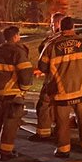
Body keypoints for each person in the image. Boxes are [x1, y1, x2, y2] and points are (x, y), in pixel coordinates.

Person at [37, 16, 82, 158]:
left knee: (62, 121)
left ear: (60, 27)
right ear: (73, 26)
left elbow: (42, 66)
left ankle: (63, 149)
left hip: (61, 92)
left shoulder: (51, 45)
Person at [0, 25, 33, 160]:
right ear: (16, 36)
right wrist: (24, 88)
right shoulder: (18, 52)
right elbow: (26, 73)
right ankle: (5, 152)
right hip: (13, 94)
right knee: (10, 125)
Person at [33, 11, 63, 141]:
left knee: (44, 104)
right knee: (60, 106)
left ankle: (43, 133)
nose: (51, 26)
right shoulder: (75, 41)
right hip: (70, 80)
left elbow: (43, 60)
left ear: (57, 23)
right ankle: (60, 130)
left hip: (52, 78)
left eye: (52, 23)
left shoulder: (51, 41)